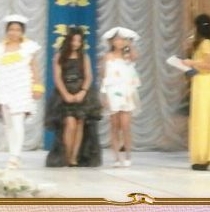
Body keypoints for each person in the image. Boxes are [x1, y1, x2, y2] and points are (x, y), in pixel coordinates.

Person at [0, 14, 44, 169]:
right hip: (4, 87)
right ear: (7, 31)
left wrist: (37, 86)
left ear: (22, 32)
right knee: (8, 124)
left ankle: (15, 156)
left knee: (18, 121)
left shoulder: (28, 48)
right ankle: (13, 154)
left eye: (17, 30)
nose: (14, 32)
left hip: (21, 87)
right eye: (11, 29)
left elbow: (34, 68)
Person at [45, 26, 101, 167]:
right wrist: (66, 94)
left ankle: (74, 158)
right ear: (68, 40)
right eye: (73, 40)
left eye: (79, 41)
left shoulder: (84, 57)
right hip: (65, 93)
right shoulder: (59, 56)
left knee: (80, 123)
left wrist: (82, 91)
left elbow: (89, 76)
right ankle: (66, 155)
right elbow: (57, 78)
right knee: (70, 123)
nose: (76, 43)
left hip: (82, 93)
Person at [182, 14, 210, 171]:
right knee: (199, 120)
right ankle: (200, 157)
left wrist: (191, 62)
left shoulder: (206, 43)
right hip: (199, 82)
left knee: (204, 119)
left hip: (205, 83)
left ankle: (207, 158)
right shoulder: (201, 43)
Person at [99, 27, 141, 167]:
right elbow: (104, 77)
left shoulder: (128, 56)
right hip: (112, 92)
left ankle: (128, 155)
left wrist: (129, 45)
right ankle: (117, 158)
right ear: (111, 41)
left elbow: (135, 57)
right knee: (114, 125)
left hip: (127, 92)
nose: (119, 42)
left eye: (122, 39)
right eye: (117, 39)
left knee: (126, 125)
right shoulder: (107, 56)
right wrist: (104, 95)